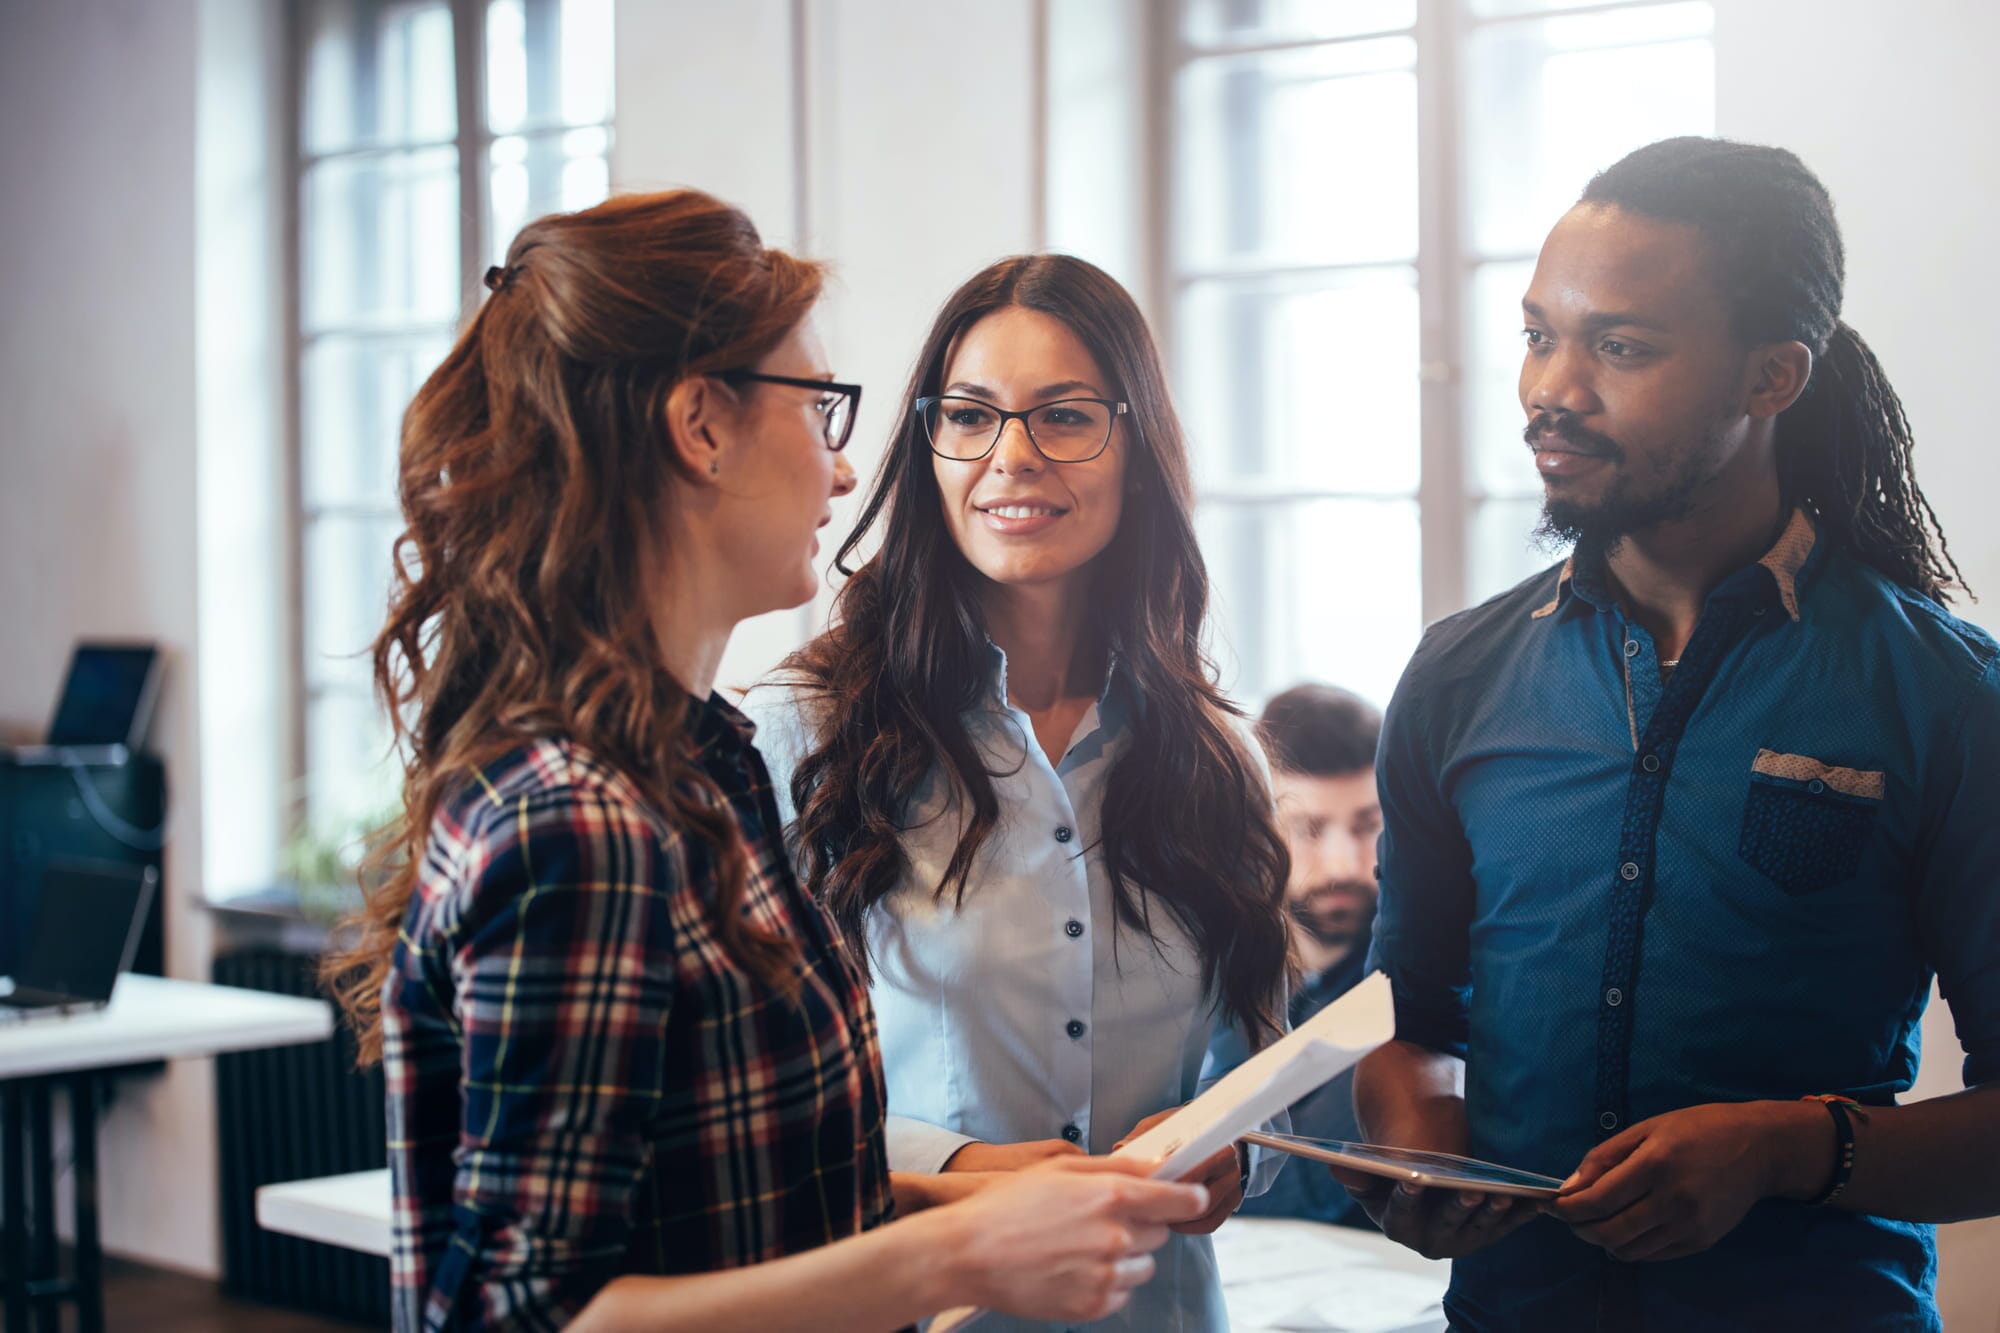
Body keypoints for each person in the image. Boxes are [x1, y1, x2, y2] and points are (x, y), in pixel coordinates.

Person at [323, 190, 1211, 1333]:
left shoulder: (710, 764)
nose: (845, 476)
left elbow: (751, 1191)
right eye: (818, 410)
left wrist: (967, 1195)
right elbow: (521, 1317)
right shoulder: (577, 823)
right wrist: (954, 1250)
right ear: (700, 426)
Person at [1350, 136, 2000, 1331]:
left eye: (1619, 346)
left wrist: (1785, 1149)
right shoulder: (1456, 677)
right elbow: (1408, 1025)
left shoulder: (1947, 699)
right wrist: (1415, 1141)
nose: (1552, 387)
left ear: (1770, 377)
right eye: (1538, 334)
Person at [746, 253, 1295, 1332]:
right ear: (928, 444)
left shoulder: (1218, 755)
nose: (1011, 457)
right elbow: (752, 1107)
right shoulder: (799, 733)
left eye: (1063, 417)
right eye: (969, 416)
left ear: (1137, 450)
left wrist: (1235, 1153)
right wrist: (957, 1166)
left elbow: (1258, 1070)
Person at [1205, 683, 1382, 1230]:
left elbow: (1313, 1185)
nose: (1344, 865)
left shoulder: (1419, 981)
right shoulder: (1209, 967)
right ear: (1256, 830)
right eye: (1308, 829)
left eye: (1368, 825)